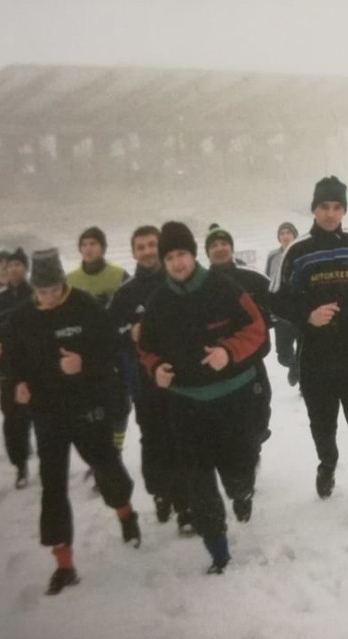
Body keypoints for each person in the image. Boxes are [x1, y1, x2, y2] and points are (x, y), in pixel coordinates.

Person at [5, 248, 140, 595]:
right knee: (53, 485)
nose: (47, 298)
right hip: (47, 413)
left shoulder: (84, 306)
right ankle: (64, 564)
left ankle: (125, 513)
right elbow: (11, 360)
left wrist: (84, 364)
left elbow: (111, 351)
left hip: (86, 407)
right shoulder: (22, 317)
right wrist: (17, 383)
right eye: (41, 292)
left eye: (52, 291)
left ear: (62, 284)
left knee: (106, 466)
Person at [138, 222, 267, 574]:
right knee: (198, 481)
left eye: (181, 254)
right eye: (170, 257)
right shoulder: (158, 301)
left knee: (238, 466)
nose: (177, 263)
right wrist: (156, 370)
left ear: (193, 254)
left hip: (232, 397)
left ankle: (242, 491)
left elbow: (256, 329)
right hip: (185, 403)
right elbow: (145, 347)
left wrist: (228, 351)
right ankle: (217, 549)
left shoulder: (222, 287)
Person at [270, 176, 348, 523]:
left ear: (344, 209)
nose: (331, 214)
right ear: (313, 208)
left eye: (337, 207)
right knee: (323, 427)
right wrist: (307, 315)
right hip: (316, 358)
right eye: (324, 207)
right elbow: (276, 301)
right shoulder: (299, 250)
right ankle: (327, 462)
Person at [107, 226, 193, 534]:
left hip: (182, 380)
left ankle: (186, 507)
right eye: (140, 246)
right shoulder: (125, 293)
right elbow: (107, 335)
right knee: (153, 440)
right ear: (133, 253)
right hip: (144, 383)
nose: (146, 251)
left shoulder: (177, 283)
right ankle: (159, 492)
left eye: (151, 245)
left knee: (182, 440)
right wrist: (127, 333)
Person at [66, 226, 132, 480]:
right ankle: (98, 457)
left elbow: (130, 308)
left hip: (116, 351)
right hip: (85, 355)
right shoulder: (71, 280)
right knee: (92, 408)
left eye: (94, 243)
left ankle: (114, 452)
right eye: (84, 244)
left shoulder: (118, 275)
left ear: (102, 247)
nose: (89, 248)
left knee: (119, 405)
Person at [206, 225, 274, 446]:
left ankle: (253, 444)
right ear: (207, 252)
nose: (220, 248)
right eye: (214, 245)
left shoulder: (252, 278)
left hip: (252, 361)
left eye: (224, 243)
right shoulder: (200, 285)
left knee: (260, 410)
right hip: (218, 364)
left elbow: (280, 302)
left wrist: (268, 321)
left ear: (232, 248)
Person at [0, 247, 35, 488]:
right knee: (13, 418)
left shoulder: (36, 295)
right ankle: (20, 464)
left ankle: (51, 462)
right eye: (11, 265)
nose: (14, 269)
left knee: (43, 414)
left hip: (36, 365)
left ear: (26, 268)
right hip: (8, 368)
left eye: (19, 265)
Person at [264, 222, 301, 387]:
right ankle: (294, 366)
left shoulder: (302, 251)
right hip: (281, 312)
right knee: (282, 354)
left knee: (304, 350)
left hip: (300, 310)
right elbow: (267, 282)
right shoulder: (272, 256)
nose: (285, 236)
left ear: (294, 235)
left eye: (288, 233)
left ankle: (304, 382)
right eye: (282, 233)